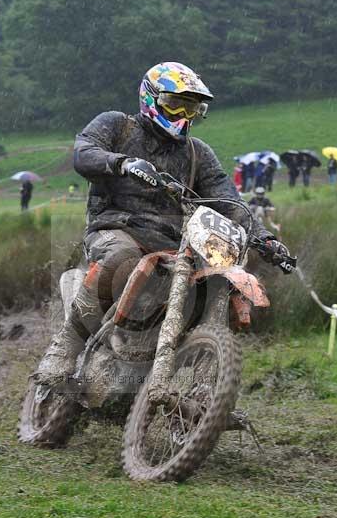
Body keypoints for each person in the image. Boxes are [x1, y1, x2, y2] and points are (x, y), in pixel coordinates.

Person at [36, 61, 291, 384]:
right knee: (120, 258)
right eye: (174, 105)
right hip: (116, 227)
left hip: (176, 244)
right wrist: (122, 163)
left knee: (218, 281)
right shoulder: (118, 126)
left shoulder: (198, 153)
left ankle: (207, 387)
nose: (182, 116)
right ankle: (64, 349)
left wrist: (265, 240)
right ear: (150, 99)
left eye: (191, 109)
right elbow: (83, 153)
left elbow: (229, 202)